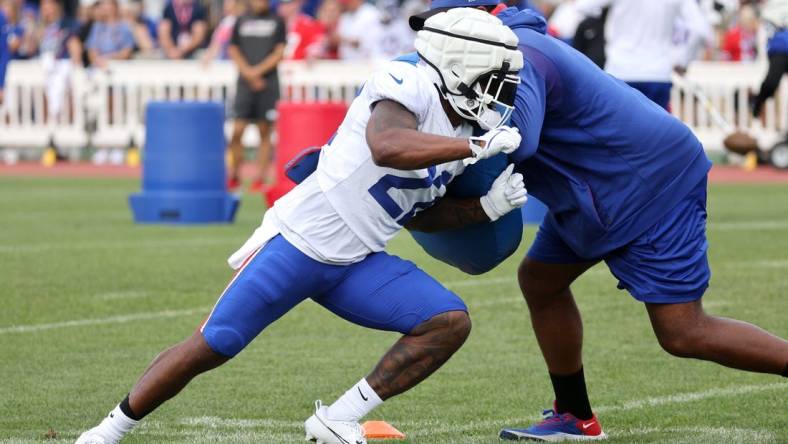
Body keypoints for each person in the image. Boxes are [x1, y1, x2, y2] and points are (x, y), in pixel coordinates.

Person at [75, 8, 525, 444]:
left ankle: (339, 419)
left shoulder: (465, 125)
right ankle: (106, 432)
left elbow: (415, 211)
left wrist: (484, 207)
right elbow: (386, 145)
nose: (499, 95)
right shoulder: (407, 82)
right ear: (460, 65)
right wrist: (472, 145)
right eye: (494, 81)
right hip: (300, 241)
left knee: (447, 322)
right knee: (214, 343)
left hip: (357, 261)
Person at [414, 4, 788, 442]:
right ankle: (575, 415)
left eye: (440, 26)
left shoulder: (523, 53)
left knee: (683, 332)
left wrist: (432, 154)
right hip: (597, 192)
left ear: (477, 18)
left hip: (649, 185)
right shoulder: (501, 52)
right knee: (540, 281)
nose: (431, 42)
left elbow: (521, 140)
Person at [575, 0, 712, 110]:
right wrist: (682, 60)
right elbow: (700, 31)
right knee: (656, 137)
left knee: (622, 137)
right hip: (658, 73)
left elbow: (583, 6)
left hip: (621, 70)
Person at [226, 0, 285, 192]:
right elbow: (234, 48)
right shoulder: (240, 20)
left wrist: (257, 72)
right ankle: (235, 174)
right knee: (237, 130)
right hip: (245, 83)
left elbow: (279, 52)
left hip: (267, 84)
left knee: (264, 131)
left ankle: (259, 178)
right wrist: (248, 73)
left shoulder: (277, 21)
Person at [85, 0, 134, 68]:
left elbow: (127, 51)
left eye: (107, 4)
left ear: (115, 6)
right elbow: (91, 49)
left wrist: (108, 58)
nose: (104, 7)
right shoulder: (97, 26)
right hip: (99, 67)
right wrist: (98, 61)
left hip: (119, 66)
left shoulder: (124, 27)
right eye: (102, 4)